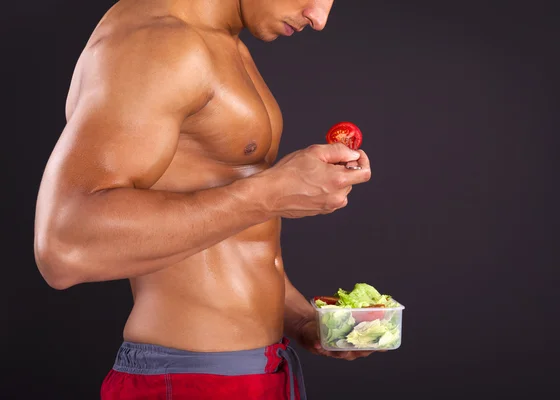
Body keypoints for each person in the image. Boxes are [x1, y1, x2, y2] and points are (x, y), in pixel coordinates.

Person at [34, 0, 374, 398]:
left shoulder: (225, 45)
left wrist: (305, 322)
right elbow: (64, 246)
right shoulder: (160, 43)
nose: (319, 18)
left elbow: (230, 238)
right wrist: (269, 193)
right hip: (189, 380)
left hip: (260, 371)